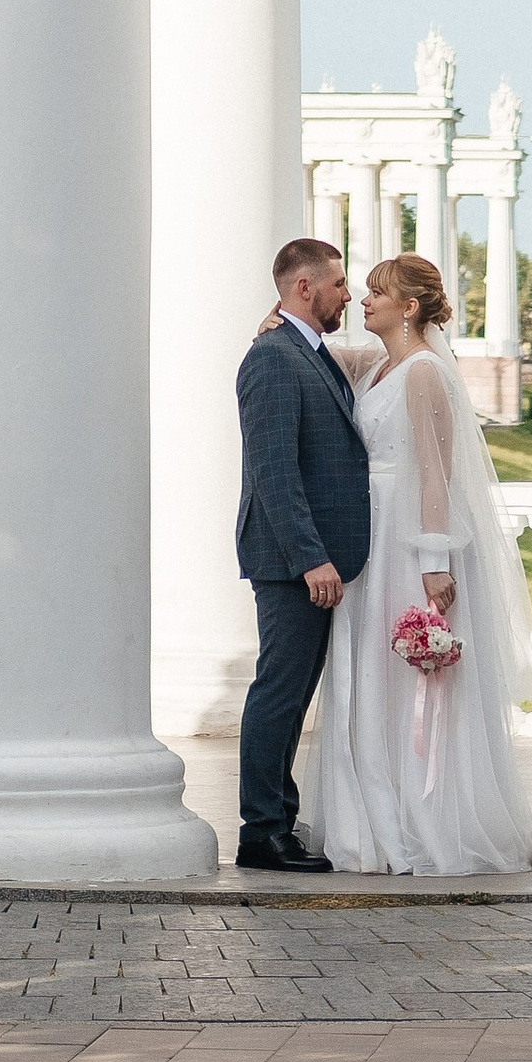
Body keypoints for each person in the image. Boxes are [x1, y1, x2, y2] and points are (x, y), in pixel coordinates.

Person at [299, 252, 532, 876]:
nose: (362, 300)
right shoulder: (382, 365)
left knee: (404, 680)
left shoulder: (427, 373)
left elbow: (438, 472)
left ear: (409, 308)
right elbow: (327, 353)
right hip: (368, 539)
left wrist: (436, 560)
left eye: (377, 292)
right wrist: (282, 319)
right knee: (366, 677)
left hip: (406, 544)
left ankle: (416, 821)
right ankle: (370, 812)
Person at [231, 234, 370, 872]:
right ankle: (261, 831)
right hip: (292, 561)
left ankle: (278, 821)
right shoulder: (272, 359)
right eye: (340, 284)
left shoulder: (308, 351)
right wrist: (311, 558)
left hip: (315, 558)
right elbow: (274, 473)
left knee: (293, 695)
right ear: (305, 287)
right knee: (280, 693)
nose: (350, 294)